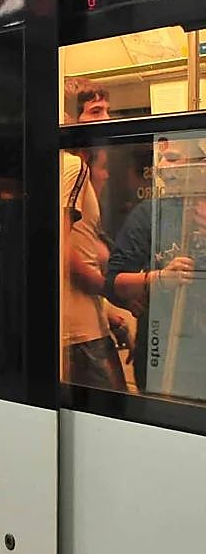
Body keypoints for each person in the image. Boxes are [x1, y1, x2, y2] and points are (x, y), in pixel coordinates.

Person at [107, 135, 206, 396]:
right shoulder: (150, 213)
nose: (163, 166)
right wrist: (157, 279)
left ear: (201, 164)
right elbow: (113, 282)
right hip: (161, 355)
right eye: (159, 158)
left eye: (173, 159)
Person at [61, 79, 126, 390]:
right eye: (96, 111)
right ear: (71, 120)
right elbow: (62, 248)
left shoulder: (73, 166)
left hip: (88, 319)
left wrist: (108, 308)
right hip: (81, 331)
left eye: (107, 111)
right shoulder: (73, 167)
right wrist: (112, 288)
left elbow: (82, 243)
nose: (106, 119)